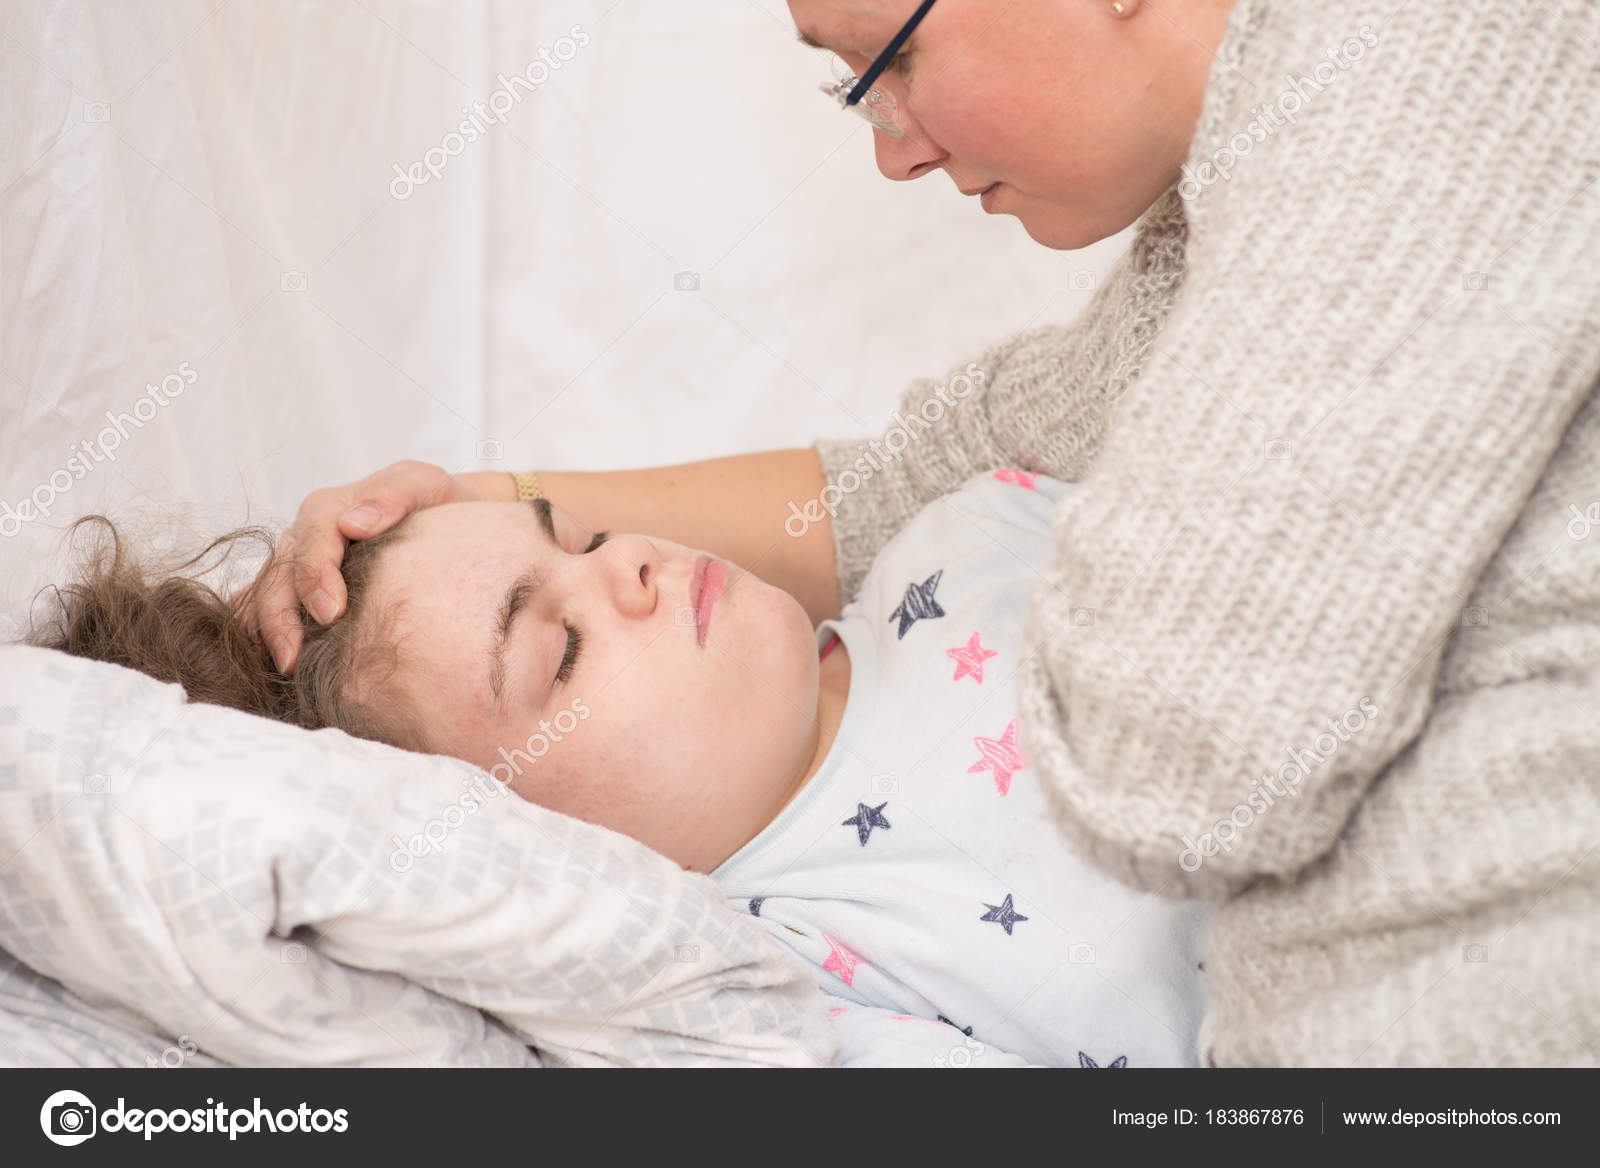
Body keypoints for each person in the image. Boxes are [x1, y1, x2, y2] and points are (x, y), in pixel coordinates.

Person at [248, 0, 1600, 1065]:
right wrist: (491, 504)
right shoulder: (1223, 217)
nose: (895, 151)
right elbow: (921, 467)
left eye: (885, 61)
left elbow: (1180, 760)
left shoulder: (1412, 74)